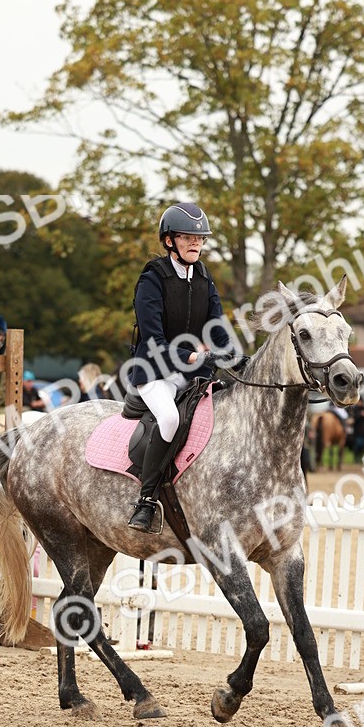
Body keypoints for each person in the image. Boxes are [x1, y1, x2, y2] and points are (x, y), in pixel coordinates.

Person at [124, 202, 230, 532]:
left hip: (194, 371)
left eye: (200, 238)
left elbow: (217, 322)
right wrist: (188, 355)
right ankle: (146, 500)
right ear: (169, 241)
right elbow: (153, 336)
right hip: (155, 369)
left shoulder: (203, 276)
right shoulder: (152, 278)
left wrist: (224, 350)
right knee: (169, 418)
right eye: (187, 237)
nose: (195, 244)